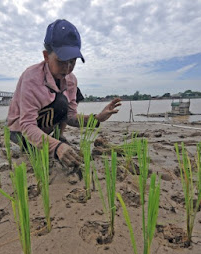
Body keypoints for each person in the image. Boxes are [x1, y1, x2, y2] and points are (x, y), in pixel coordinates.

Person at [7, 19, 121, 168]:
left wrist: (97, 118)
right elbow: (27, 126)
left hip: (45, 124)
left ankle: (57, 136)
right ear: (46, 56)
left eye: (72, 62)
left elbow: (71, 117)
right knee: (61, 101)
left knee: (70, 97)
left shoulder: (71, 80)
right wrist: (57, 147)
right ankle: (51, 142)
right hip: (21, 131)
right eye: (61, 61)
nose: (67, 68)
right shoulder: (31, 78)